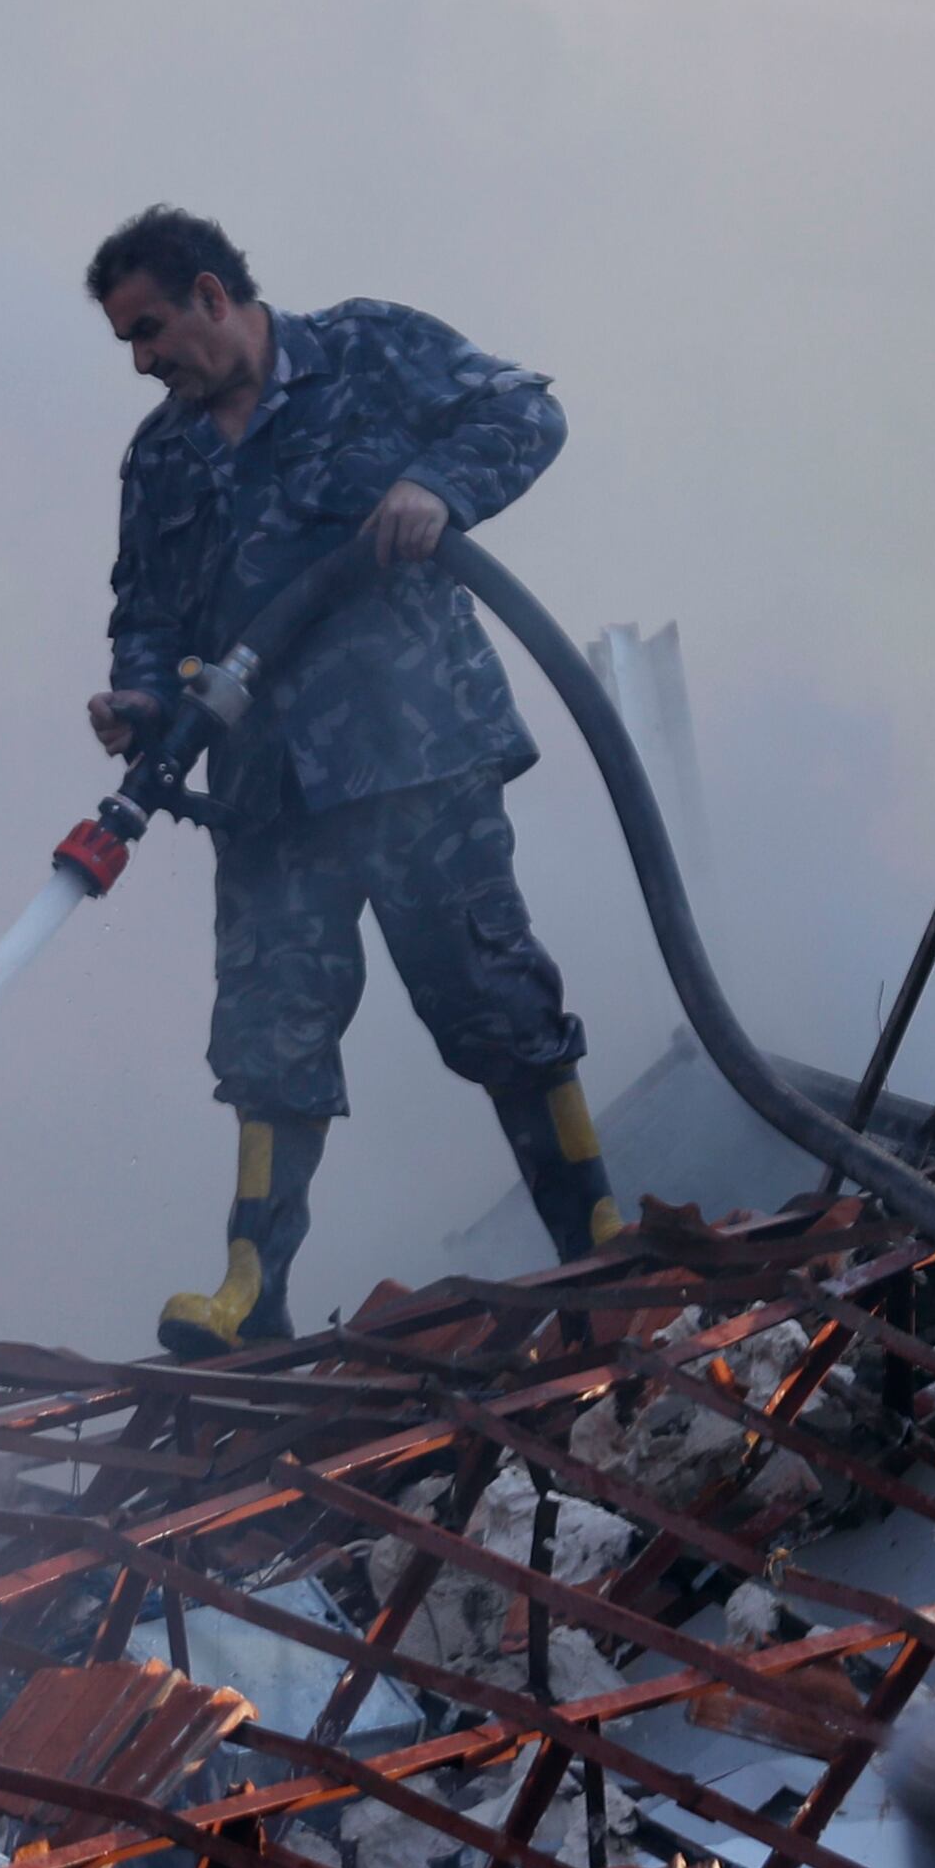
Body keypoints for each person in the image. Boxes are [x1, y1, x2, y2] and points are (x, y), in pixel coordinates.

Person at [86, 207, 617, 1352]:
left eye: (150, 328)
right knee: (269, 1037)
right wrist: (136, 700)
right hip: (266, 795)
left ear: (213, 296)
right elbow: (145, 609)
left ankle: (596, 1244)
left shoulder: (370, 352)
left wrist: (439, 486)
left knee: (494, 1002)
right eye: (125, 342)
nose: (140, 360)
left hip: (416, 755)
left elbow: (525, 409)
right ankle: (246, 1294)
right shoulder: (160, 456)